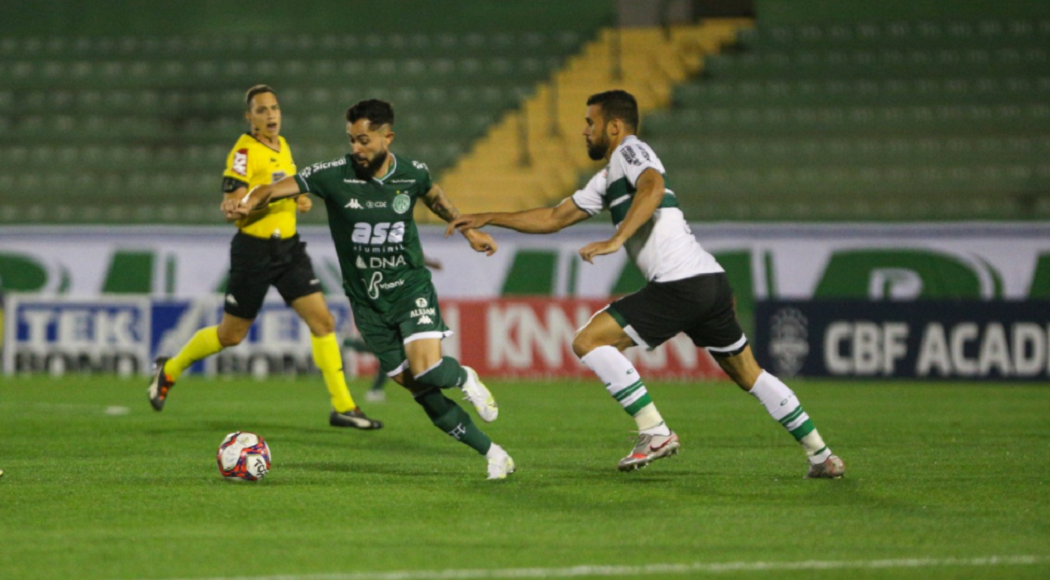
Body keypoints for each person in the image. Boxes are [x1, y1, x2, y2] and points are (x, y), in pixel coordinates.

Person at [448, 89, 845, 478]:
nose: (585, 131)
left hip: (679, 284)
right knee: (749, 374)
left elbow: (653, 186)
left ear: (615, 126)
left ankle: (654, 431)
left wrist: (616, 239)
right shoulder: (607, 177)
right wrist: (489, 217)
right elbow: (554, 217)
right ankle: (821, 455)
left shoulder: (631, 150)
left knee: (589, 341)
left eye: (591, 122)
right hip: (709, 282)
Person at [223, 99, 514, 479]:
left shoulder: (412, 173)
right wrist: (245, 203)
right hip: (366, 301)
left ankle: (464, 377)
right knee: (418, 390)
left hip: (409, 287)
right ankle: (494, 454)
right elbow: (270, 189)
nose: (356, 149)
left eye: (364, 141)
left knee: (427, 369)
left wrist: (470, 232)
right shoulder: (332, 175)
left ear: (387, 137)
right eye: (351, 140)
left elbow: (435, 197)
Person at [148, 85, 382, 430]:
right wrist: (247, 204)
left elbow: (286, 189)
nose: (271, 114)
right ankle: (169, 369)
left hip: (288, 249)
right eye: (262, 110)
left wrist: (298, 201)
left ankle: (343, 406)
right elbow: (240, 209)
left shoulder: (283, 145)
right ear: (250, 117)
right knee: (231, 335)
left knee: (323, 323)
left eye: (274, 108)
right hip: (254, 251)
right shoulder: (243, 152)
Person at [348, 255, 443, 403]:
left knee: (392, 350)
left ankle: (348, 346)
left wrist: (430, 263)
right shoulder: (385, 254)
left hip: (395, 305)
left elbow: (412, 255)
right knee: (391, 350)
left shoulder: (396, 254)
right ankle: (349, 345)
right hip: (387, 305)